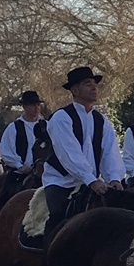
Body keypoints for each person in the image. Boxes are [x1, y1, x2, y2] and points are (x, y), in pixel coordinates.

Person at [40, 65, 124, 232]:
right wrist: (90, 179)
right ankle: (50, 256)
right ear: (75, 90)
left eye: (95, 83)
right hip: (62, 182)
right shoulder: (61, 118)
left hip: (94, 182)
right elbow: (68, 153)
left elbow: (110, 151)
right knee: (58, 221)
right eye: (87, 83)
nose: (94, 87)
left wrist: (114, 177)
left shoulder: (102, 120)